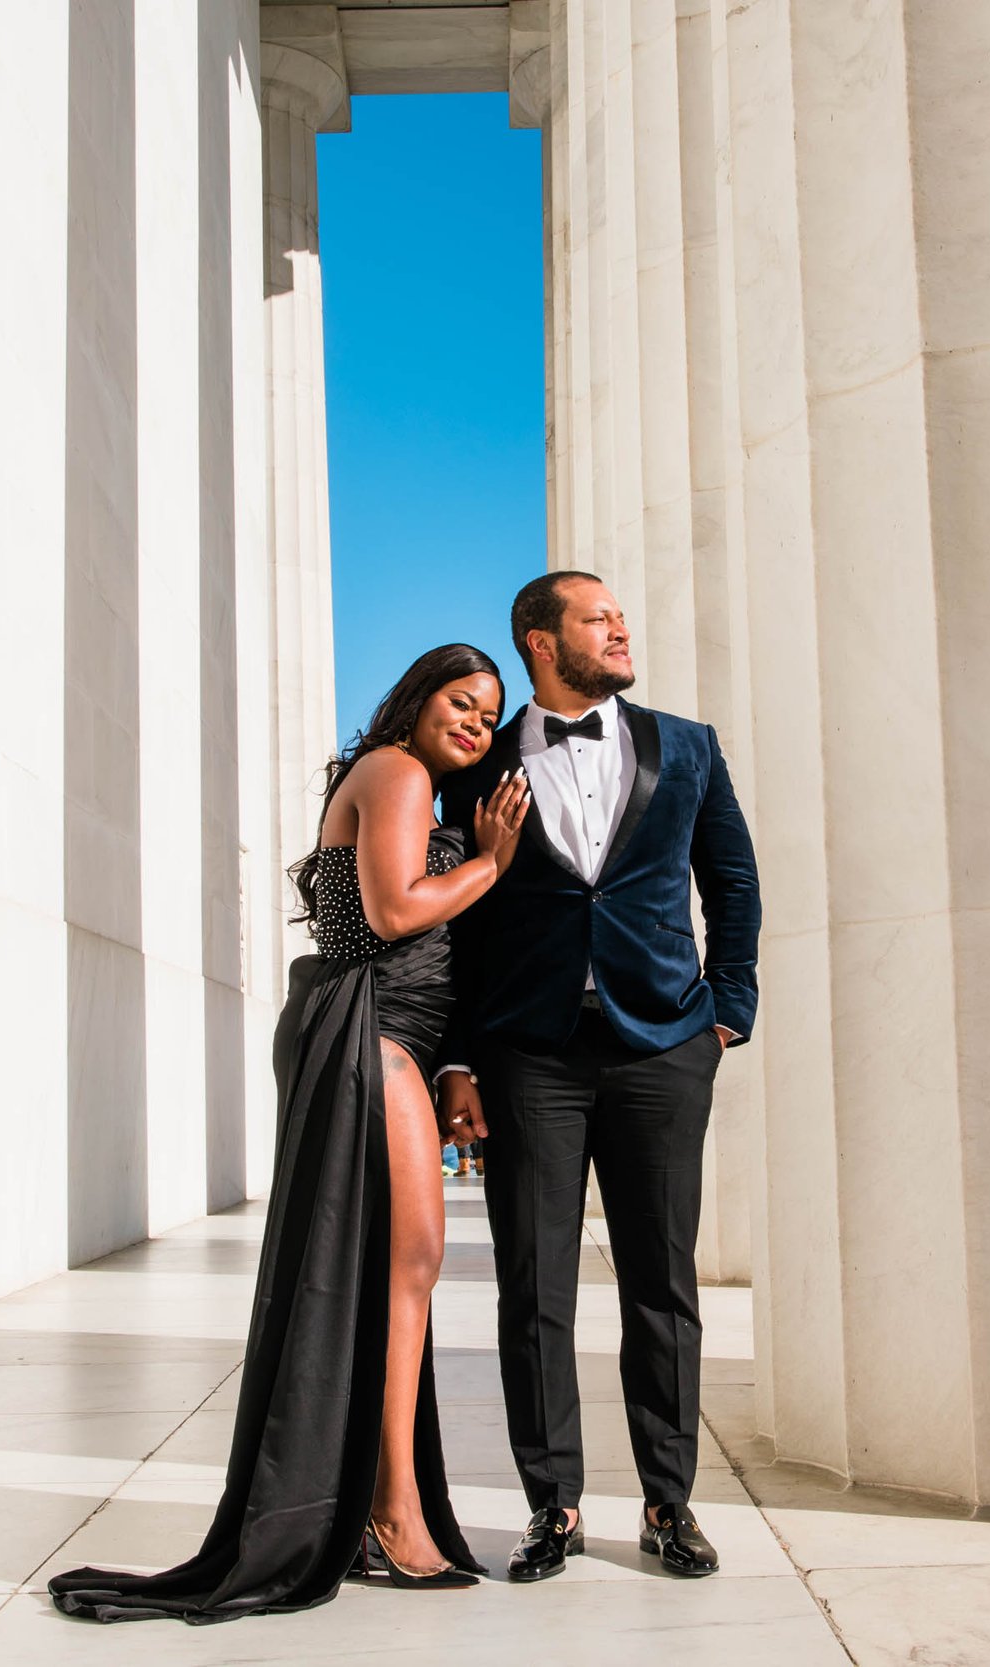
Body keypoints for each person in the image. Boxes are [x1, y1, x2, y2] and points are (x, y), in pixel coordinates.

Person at [51, 644, 532, 1623]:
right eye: (460, 701)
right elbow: (393, 909)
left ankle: (372, 1505)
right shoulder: (395, 771)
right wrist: (488, 863)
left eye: (488, 714)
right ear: (417, 698)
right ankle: (391, 1511)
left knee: (396, 1269)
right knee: (408, 1264)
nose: (476, 724)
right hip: (371, 1024)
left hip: (385, 1028)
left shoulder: (403, 781)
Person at [435, 572, 761, 1582]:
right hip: (527, 1050)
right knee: (534, 1284)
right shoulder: (477, 757)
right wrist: (455, 1055)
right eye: (596, 617)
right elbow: (450, 917)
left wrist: (725, 1012)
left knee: (660, 1284)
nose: (620, 628)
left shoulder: (687, 744)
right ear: (539, 640)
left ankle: (669, 1502)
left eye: (621, 615)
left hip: (664, 1043)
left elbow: (733, 879)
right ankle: (553, 1505)